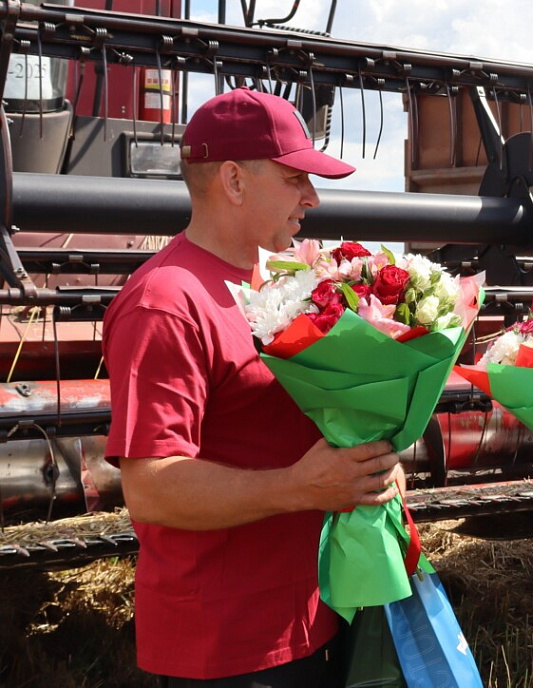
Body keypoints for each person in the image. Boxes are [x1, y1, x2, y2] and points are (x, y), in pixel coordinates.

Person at [103, 87, 404, 687]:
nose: (311, 197)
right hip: (229, 646)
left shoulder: (284, 285)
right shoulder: (166, 302)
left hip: (315, 614)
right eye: (295, 179)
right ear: (235, 181)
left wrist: (369, 463)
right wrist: (301, 486)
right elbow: (151, 489)